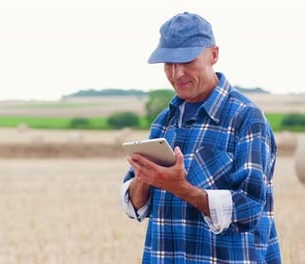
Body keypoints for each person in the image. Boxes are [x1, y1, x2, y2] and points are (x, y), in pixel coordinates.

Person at [119, 12, 281, 263]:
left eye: (187, 60)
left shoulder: (247, 118)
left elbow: (249, 208)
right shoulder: (164, 122)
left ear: (214, 54)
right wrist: (144, 179)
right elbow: (134, 207)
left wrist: (180, 188)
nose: (177, 73)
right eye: (169, 64)